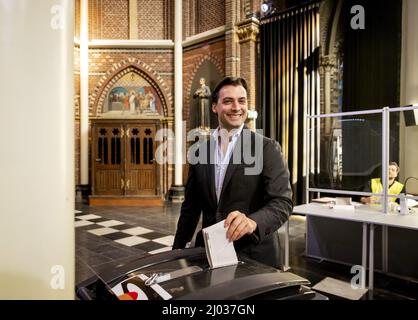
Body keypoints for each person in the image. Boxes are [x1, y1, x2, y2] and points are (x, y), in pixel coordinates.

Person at [173, 77, 293, 268]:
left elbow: (282, 202)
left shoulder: (267, 148)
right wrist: (176, 252)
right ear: (214, 107)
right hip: (211, 252)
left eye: (242, 101)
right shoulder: (199, 152)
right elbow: (190, 209)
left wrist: (253, 222)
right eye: (228, 101)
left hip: (255, 255)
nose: (236, 107)